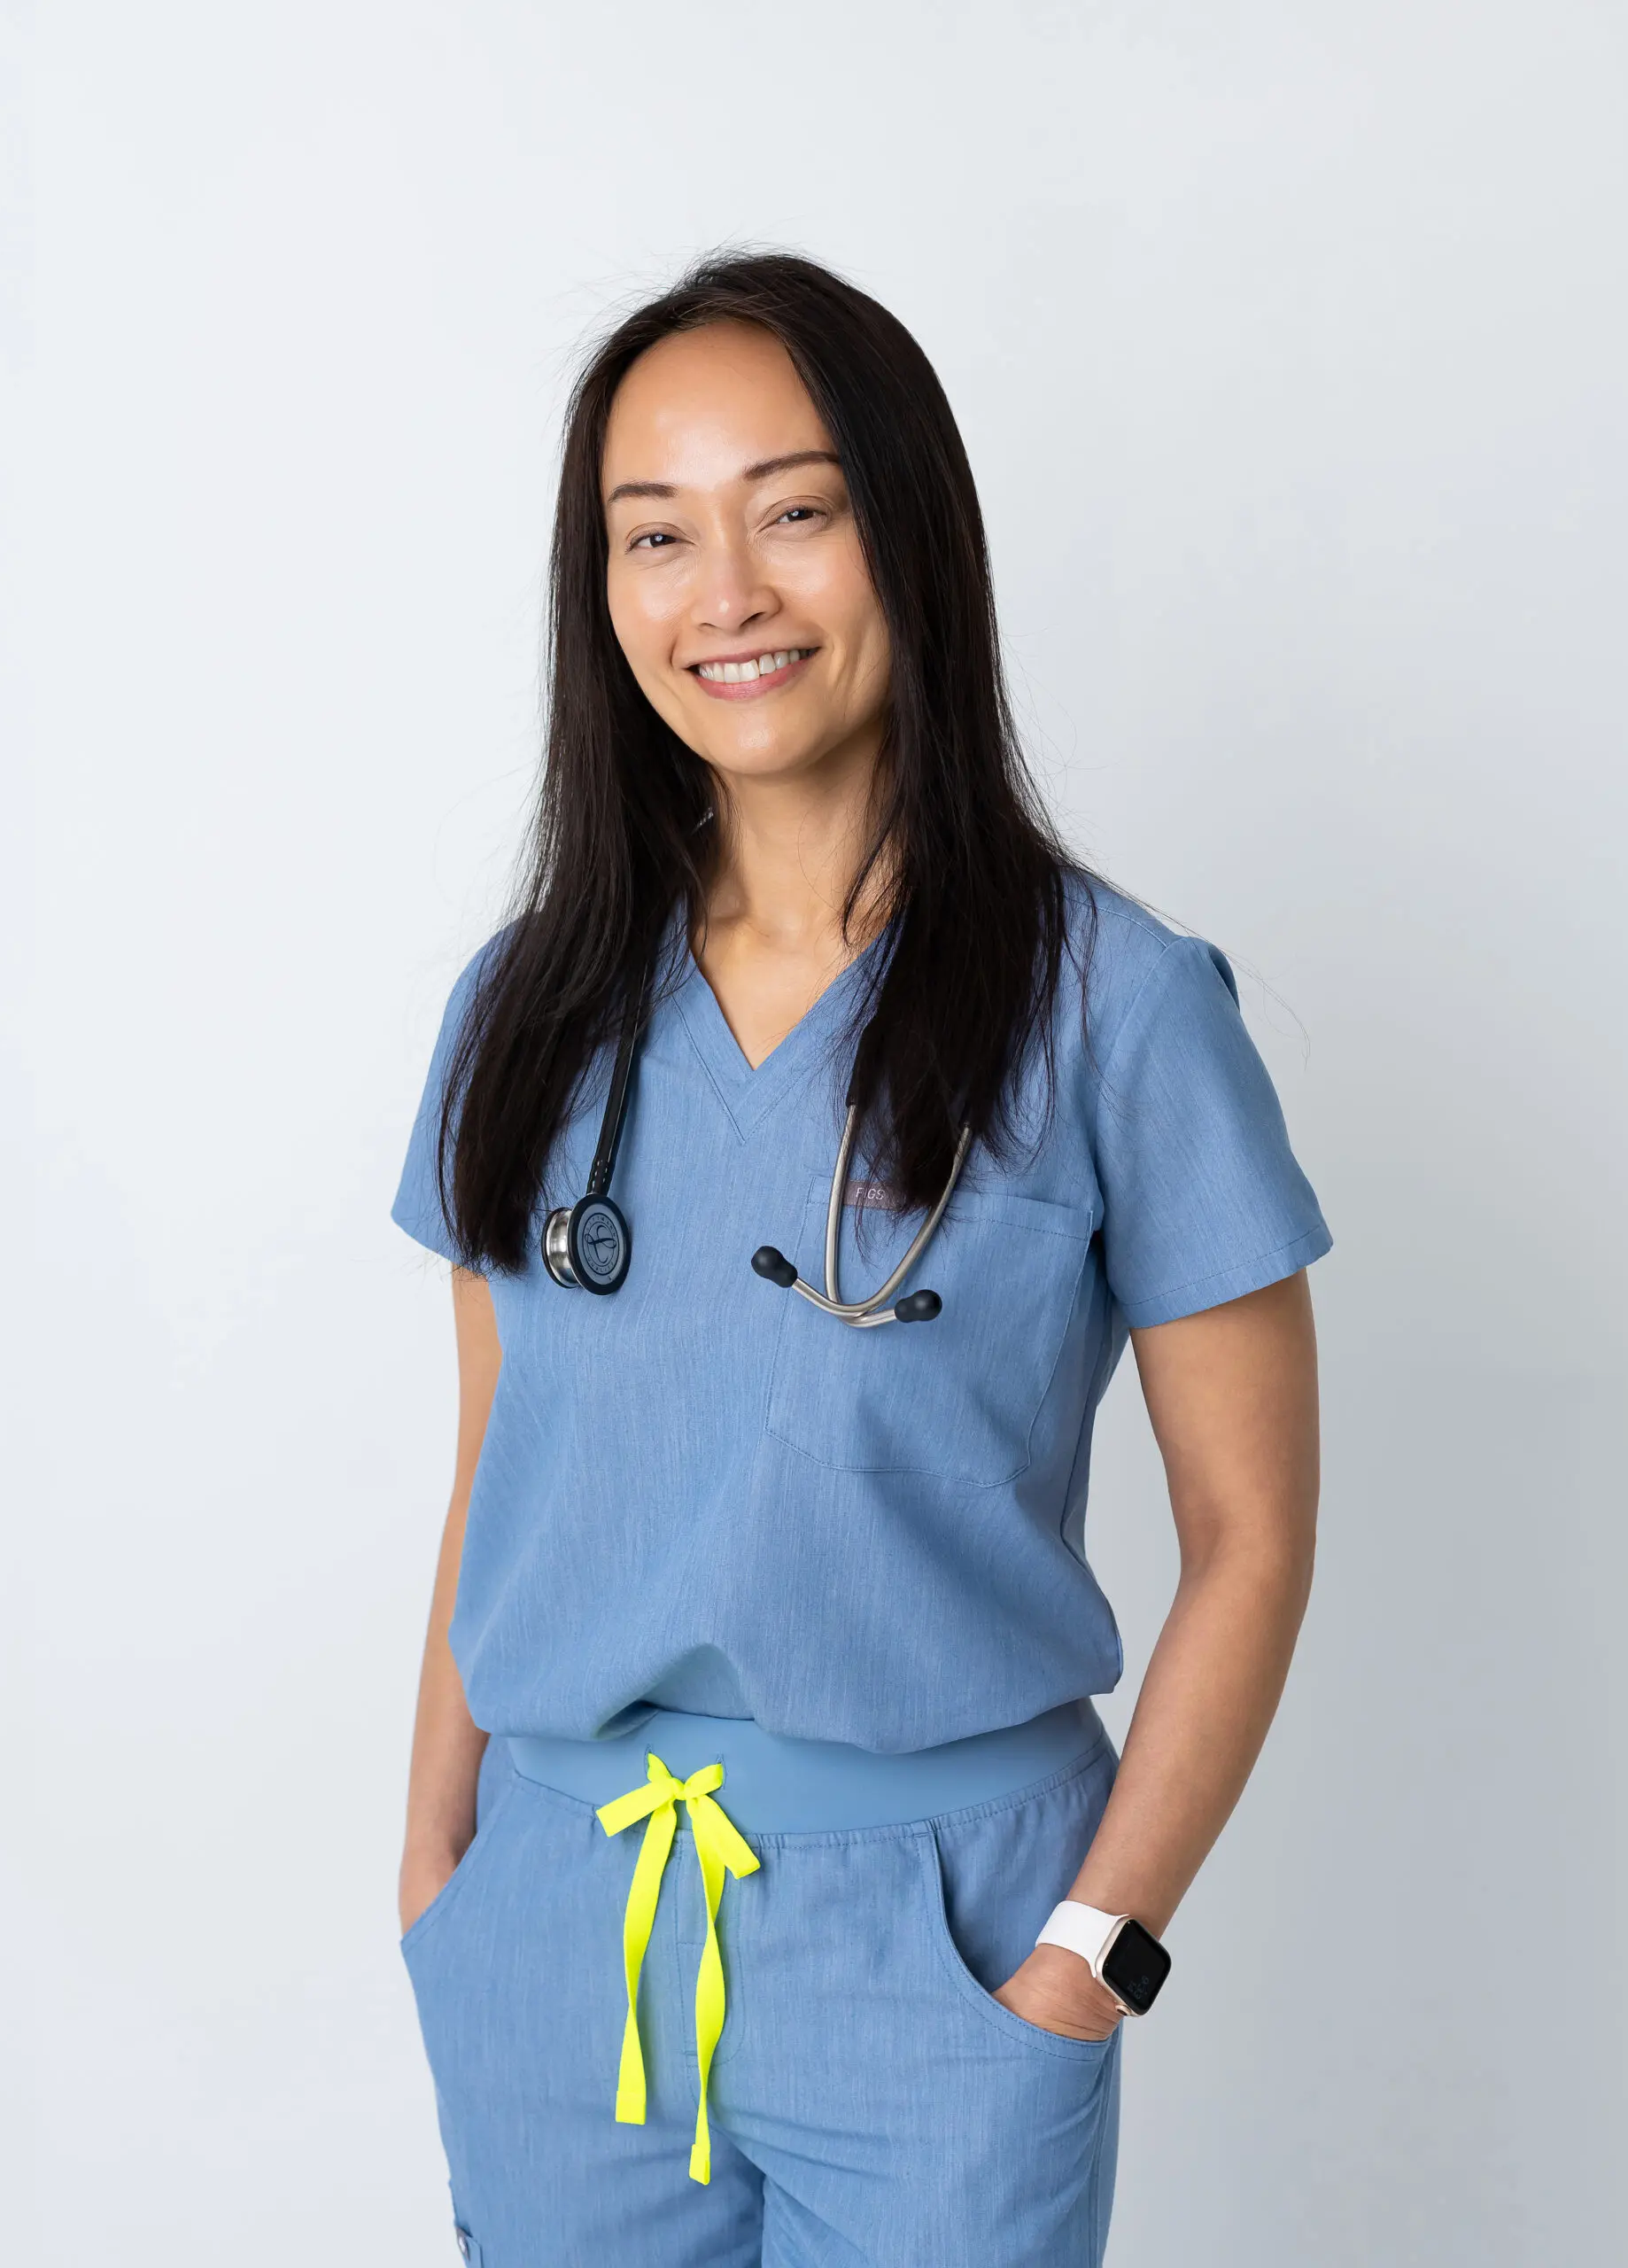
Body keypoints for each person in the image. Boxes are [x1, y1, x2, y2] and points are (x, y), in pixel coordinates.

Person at [388, 250, 1330, 2268]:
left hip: (949, 1940)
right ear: (601, 588)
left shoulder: (1119, 1009)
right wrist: (438, 1871)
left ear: (908, 529)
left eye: (792, 511)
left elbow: (1249, 1530)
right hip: (564, 1926)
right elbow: (498, 1477)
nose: (724, 592)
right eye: (656, 535)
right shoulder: (526, 1008)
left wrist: (1092, 1950)